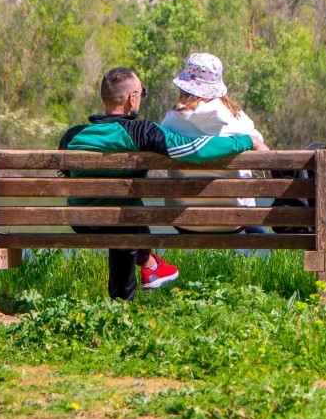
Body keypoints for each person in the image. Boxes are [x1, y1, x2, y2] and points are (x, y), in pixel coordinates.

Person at [59, 66, 263, 300]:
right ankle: (127, 295)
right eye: (142, 93)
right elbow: (196, 150)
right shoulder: (140, 131)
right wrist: (246, 140)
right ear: (132, 98)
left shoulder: (72, 135)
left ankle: (148, 270)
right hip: (121, 222)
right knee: (124, 216)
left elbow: (66, 172)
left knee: (122, 213)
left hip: (81, 222)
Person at [160, 53, 270, 233]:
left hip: (183, 218)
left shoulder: (172, 121)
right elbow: (260, 144)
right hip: (234, 219)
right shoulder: (237, 120)